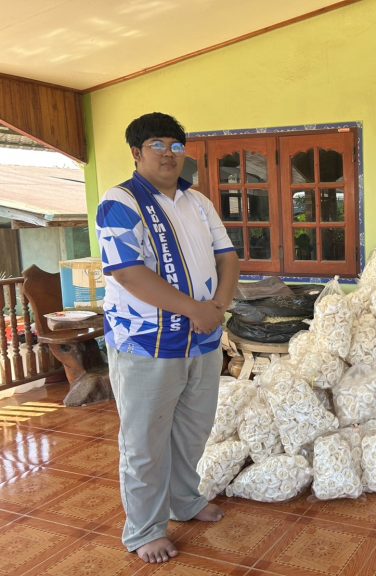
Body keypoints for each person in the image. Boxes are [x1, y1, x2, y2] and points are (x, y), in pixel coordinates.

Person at [96, 112, 240, 563]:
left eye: (176, 146)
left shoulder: (197, 202)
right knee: (145, 441)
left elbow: (228, 257)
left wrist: (218, 307)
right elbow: (128, 272)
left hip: (201, 340)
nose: (168, 153)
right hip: (146, 344)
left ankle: (186, 500)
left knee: (194, 432)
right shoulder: (120, 202)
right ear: (137, 153)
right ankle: (144, 529)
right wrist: (197, 309)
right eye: (157, 144)